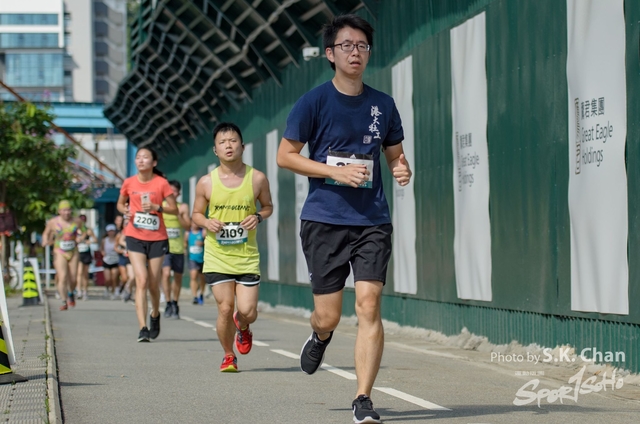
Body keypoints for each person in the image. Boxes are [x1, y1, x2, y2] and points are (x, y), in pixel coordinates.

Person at [276, 14, 412, 424]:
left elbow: (394, 155)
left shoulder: (383, 105)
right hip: (325, 220)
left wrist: (402, 168)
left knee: (369, 304)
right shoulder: (314, 101)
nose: (356, 53)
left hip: (372, 220)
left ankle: (363, 398)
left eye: (362, 46)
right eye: (347, 46)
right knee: (330, 314)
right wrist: (333, 171)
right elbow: (286, 156)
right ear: (330, 54)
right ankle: (320, 334)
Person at [192, 122, 273, 372]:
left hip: (246, 256)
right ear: (215, 150)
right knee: (225, 308)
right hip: (217, 255)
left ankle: (244, 325)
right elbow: (196, 214)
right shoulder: (206, 182)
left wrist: (258, 217)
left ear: (242, 146)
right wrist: (207, 222)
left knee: (248, 311)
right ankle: (229, 355)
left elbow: (268, 207)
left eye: (233, 140)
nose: (228, 145)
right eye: (222, 142)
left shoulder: (257, 178)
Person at [116, 147, 178, 342]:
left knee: (152, 282)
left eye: (145, 157)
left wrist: (156, 207)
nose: (141, 160)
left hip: (157, 238)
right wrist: (124, 211)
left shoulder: (161, 183)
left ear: (154, 162)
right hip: (134, 236)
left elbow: (174, 209)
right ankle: (143, 328)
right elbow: (120, 204)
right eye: (138, 157)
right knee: (141, 280)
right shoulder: (129, 182)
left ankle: (155, 314)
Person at [42, 200, 81, 310]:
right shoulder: (53, 222)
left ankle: (71, 293)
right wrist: (45, 240)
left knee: (73, 278)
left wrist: (80, 238)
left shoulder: (77, 221)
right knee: (62, 276)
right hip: (59, 251)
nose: (66, 212)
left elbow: (84, 231)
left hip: (73, 251)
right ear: (59, 211)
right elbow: (46, 233)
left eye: (68, 210)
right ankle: (64, 301)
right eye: (64, 210)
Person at [161, 181, 191, 319]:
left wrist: (178, 214)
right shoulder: (161, 206)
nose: (172, 193)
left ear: (178, 193)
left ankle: (175, 303)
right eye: (170, 191)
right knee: (166, 274)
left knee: (178, 277)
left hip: (178, 248)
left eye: (174, 191)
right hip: (164, 247)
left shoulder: (183, 207)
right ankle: (167, 302)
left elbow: (188, 227)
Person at [76, 214, 97, 300]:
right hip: (78, 253)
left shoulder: (88, 230)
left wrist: (90, 241)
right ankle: (79, 291)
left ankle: (85, 291)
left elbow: (95, 240)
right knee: (79, 272)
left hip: (86, 252)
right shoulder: (75, 230)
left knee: (85, 274)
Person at [186, 222, 206, 305]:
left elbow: (209, 242)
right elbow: (185, 243)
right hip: (192, 258)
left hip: (202, 258)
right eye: (193, 223)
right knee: (193, 276)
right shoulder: (188, 233)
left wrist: (202, 243)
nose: (195, 225)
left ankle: (201, 293)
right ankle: (195, 296)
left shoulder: (203, 232)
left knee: (202, 278)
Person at [100, 224, 120, 298]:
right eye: (109, 231)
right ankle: (107, 288)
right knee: (108, 279)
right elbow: (101, 248)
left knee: (114, 277)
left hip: (115, 260)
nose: (111, 233)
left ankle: (113, 291)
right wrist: (102, 252)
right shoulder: (104, 240)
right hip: (107, 260)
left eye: (112, 231)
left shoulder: (117, 239)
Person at [115, 231, 135, 303]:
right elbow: (118, 244)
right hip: (124, 257)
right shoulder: (122, 233)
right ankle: (123, 288)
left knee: (133, 277)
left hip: (134, 257)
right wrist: (122, 250)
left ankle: (129, 292)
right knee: (125, 278)